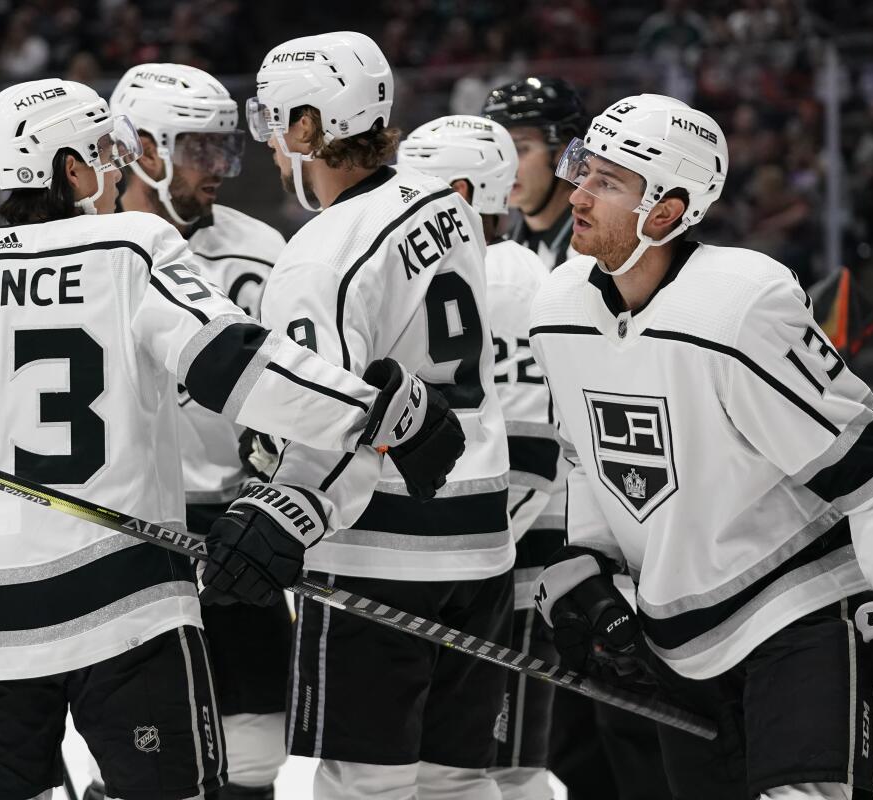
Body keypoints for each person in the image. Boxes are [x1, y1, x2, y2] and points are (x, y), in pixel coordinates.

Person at [0, 77, 465, 800]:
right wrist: (374, 413)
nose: (115, 169)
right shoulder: (127, 247)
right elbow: (236, 365)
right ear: (67, 168)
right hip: (125, 614)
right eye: (101, 153)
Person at [529, 93, 873, 800]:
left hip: (798, 616)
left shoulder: (741, 305)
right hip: (676, 645)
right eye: (583, 169)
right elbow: (587, 460)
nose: (578, 194)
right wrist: (587, 573)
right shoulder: (556, 310)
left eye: (607, 183)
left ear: (668, 211)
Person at [206, 31, 513, 800]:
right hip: (482, 540)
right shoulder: (449, 208)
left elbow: (323, 414)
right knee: (458, 782)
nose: (276, 148)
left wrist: (289, 507)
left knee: (364, 786)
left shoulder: (320, 254)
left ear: (310, 128)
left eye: (279, 125)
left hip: (385, 549)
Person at [485, 77, 670, 800]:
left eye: (523, 147)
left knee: (629, 749)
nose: (510, 166)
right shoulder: (510, 258)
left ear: (567, 153)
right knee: (566, 750)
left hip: (618, 545)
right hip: (550, 549)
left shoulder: (610, 258)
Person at [111, 62, 290, 800]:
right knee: (142, 759)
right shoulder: (89, 255)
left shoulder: (265, 250)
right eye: (197, 149)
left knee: (255, 755)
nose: (217, 167)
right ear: (143, 148)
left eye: (223, 148)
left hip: (235, 534)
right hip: (128, 535)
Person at [398, 115, 563, 800]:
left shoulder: (512, 276)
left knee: (502, 768)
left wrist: (456, 552)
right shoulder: (452, 268)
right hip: (473, 564)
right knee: (449, 767)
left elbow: (527, 460)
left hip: (509, 573)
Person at [481, 77, 590, 270]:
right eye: (498, 151)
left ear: (564, 150)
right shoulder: (503, 252)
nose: (503, 166)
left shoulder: (599, 252)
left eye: (520, 149)